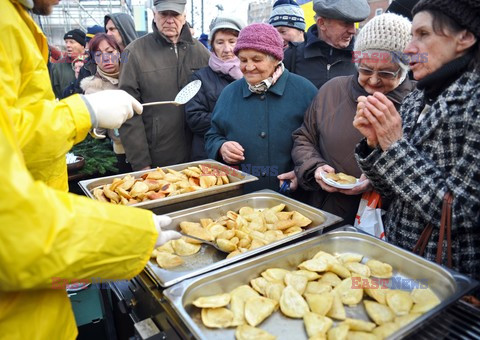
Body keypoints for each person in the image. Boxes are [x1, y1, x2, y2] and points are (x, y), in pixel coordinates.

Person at [0, 0, 181, 338]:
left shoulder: (16, 19)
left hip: (33, 303)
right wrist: (134, 235)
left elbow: (12, 132)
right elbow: (9, 222)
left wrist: (81, 113)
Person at [353, 0, 480, 283]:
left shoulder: (474, 102)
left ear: (465, 37)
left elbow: (461, 213)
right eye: (412, 36)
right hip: (400, 260)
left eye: (422, 35)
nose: (409, 48)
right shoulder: (416, 99)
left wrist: (395, 147)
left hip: (447, 276)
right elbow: (390, 190)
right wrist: (375, 145)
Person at [292, 13, 415, 225]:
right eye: (366, 70)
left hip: (382, 220)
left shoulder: (416, 104)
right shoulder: (332, 90)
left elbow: (418, 173)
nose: (374, 81)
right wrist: (315, 167)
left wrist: (376, 181)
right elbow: (304, 138)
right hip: (326, 211)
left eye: (386, 73)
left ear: (404, 70)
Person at [205, 23, 317, 193]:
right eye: (243, 60)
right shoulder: (229, 93)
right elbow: (212, 135)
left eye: (257, 60)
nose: (249, 67)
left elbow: (319, 142)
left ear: (275, 59)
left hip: (294, 197)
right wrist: (221, 147)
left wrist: (302, 173)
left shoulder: (304, 91)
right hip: (243, 196)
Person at [119, 0, 210, 170]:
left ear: (184, 17)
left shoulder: (201, 52)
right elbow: (128, 112)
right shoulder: (133, 53)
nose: (169, 20)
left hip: (198, 156)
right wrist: (141, 162)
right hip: (157, 159)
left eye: (175, 14)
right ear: (154, 15)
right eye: (163, 14)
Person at [185, 16, 245, 161]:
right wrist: (239, 119)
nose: (227, 49)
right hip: (210, 154)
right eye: (220, 42)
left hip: (245, 153)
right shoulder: (200, 78)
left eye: (232, 41)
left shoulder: (252, 74)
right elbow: (195, 119)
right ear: (212, 45)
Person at [283, 0, 370, 89]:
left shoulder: (362, 60)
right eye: (346, 23)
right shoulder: (291, 56)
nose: (353, 30)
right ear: (322, 23)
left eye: (353, 23)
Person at [80, 33, 132, 173]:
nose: (105, 58)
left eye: (110, 52)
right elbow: (97, 132)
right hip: (121, 151)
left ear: (119, 53)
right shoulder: (92, 89)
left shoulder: (135, 76)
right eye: (98, 54)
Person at [50, 28, 86, 98]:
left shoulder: (92, 63)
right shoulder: (57, 67)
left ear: (82, 45)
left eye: (71, 42)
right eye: (66, 42)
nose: (68, 45)